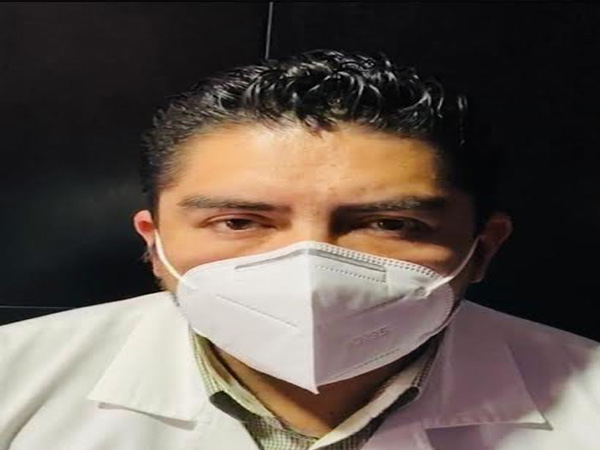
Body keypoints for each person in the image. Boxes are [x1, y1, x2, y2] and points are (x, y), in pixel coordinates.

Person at [0, 49, 598, 450]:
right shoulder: (13, 379)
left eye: (389, 223)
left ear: (483, 248)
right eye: (238, 221)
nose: (310, 267)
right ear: (154, 245)